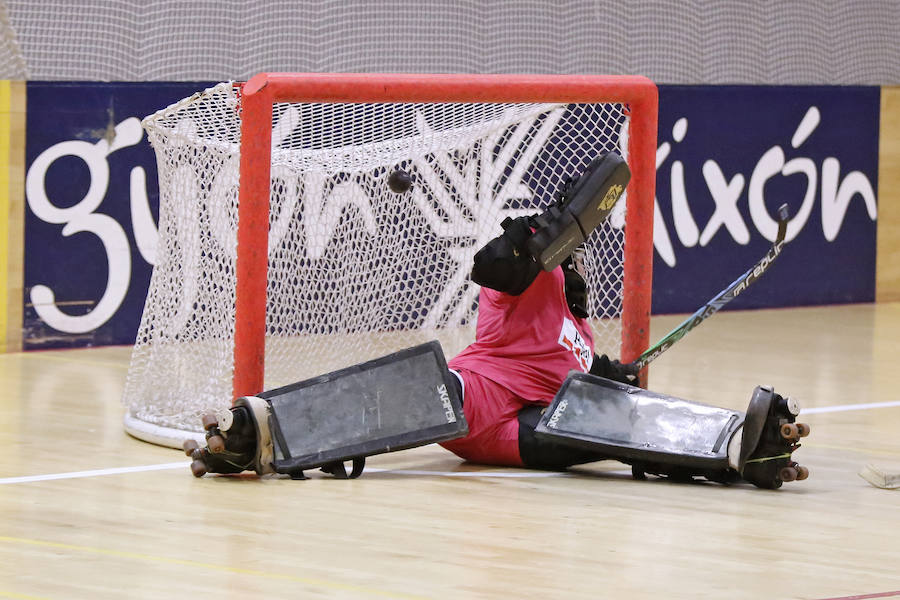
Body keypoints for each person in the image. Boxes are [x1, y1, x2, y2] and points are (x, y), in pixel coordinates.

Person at [184, 153, 809, 489]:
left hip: (537, 418)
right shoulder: (529, 275)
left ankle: (736, 449)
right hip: (482, 398)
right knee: (432, 388)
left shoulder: (578, 325)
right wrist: (538, 239)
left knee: (609, 419)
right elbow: (495, 267)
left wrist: (612, 373)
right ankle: (263, 430)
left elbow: (591, 372)